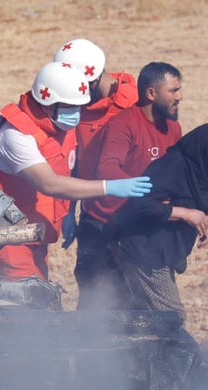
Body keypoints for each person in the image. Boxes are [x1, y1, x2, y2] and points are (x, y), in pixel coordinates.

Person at [0, 62, 152, 280]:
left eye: (78, 107)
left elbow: (67, 167)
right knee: (25, 308)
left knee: (38, 301)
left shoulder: (57, 127)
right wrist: (109, 187)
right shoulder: (16, 135)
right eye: (69, 108)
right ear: (47, 103)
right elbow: (49, 183)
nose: (76, 114)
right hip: (8, 238)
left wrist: (67, 213)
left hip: (33, 234)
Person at [73, 61, 183, 309]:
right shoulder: (124, 124)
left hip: (146, 226)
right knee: (99, 305)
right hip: (106, 225)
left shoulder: (173, 128)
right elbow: (107, 169)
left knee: (149, 308)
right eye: (173, 91)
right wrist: (148, 196)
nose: (180, 97)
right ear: (151, 94)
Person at [104, 122, 208, 317]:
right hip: (142, 252)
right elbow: (140, 203)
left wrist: (199, 223)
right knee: (172, 318)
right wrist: (185, 214)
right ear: (207, 149)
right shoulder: (172, 165)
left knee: (146, 320)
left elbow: (190, 203)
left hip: (158, 254)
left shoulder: (197, 171)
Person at [52, 38, 137, 251]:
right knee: (93, 283)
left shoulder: (136, 104)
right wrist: (69, 211)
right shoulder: (75, 109)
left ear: (94, 78)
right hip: (93, 218)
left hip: (135, 218)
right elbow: (74, 163)